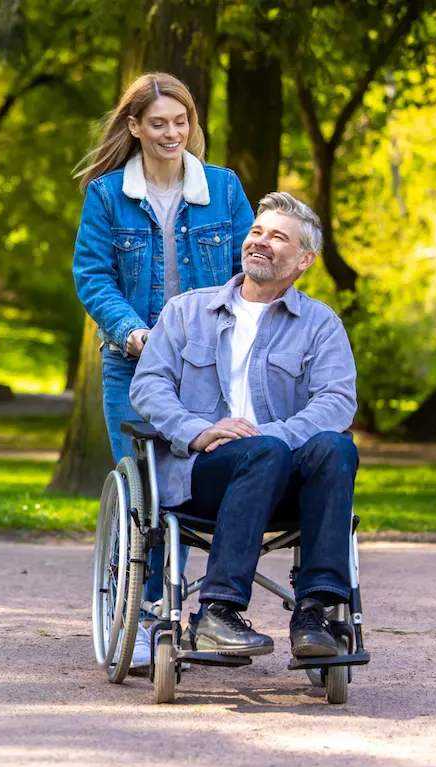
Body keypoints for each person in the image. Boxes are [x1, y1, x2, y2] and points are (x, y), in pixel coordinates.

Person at [72, 72, 254, 669]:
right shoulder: (107, 196)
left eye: (181, 121)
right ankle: (147, 615)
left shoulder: (223, 189)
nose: (171, 132)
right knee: (147, 495)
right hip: (133, 364)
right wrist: (132, 331)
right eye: (158, 123)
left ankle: (207, 610)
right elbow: (92, 276)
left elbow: (247, 267)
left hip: (211, 366)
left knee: (203, 481)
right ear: (135, 127)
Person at [129, 191, 358, 658]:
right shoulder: (186, 311)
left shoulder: (320, 324)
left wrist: (274, 436)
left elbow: (337, 401)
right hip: (205, 473)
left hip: (286, 476)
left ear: (305, 259)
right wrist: (197, 431)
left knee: (336, 448)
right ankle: (218, 611)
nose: (260, 241)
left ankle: (314, 612)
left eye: (278, 237)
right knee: (263, 451)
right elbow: (149, 385)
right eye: (256, 231)